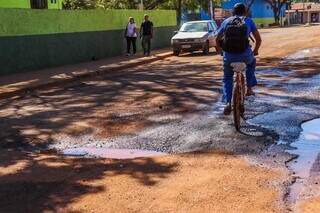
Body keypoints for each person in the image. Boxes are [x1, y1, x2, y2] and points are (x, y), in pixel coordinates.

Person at [215, 3, 262, 115]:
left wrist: (220, 51)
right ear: (245, 12)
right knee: (251, 63)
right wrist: (255, 51)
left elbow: (217, 39)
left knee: (227, 77)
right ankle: (249, 88)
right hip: (245, 55)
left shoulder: (226, 22)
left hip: (229, 56)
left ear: (233, 12)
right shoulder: (249, 21)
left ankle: (227, 102)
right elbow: (259, 40)